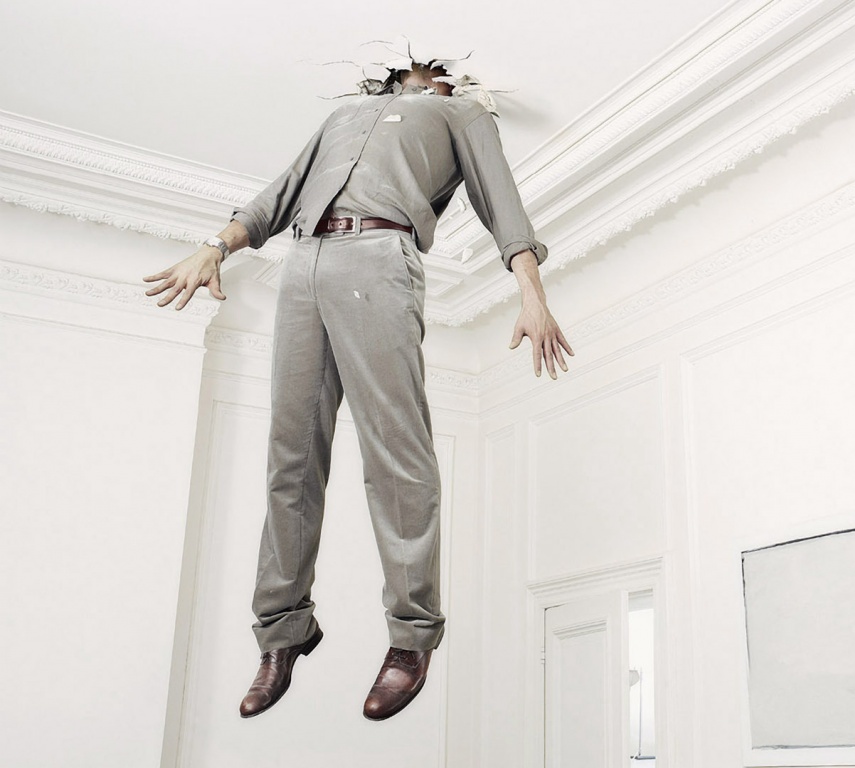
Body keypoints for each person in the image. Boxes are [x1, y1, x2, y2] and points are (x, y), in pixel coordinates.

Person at [142, 59, 572, 721]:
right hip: (302, 264)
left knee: (396, 453)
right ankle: (283, 631)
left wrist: (532, 294)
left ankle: (412, 636)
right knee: (291, 456)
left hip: (380, 256)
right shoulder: (342, 116)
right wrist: (215, 246)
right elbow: (281, 193)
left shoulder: (461, 113)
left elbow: (502, 203)